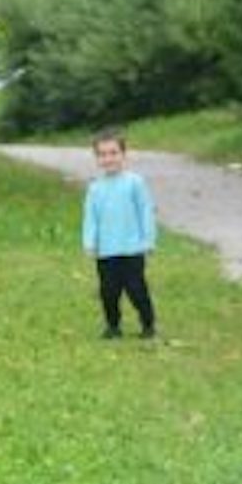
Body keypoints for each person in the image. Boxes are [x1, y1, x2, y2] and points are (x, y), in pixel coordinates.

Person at [83, 127, 158, 339]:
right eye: (102, 154)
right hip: (106, 251)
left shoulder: (135, 183)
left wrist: (148, 240)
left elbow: (146, 212)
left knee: (136, 289)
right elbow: (91, 217)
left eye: (113, 153)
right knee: (108, 292)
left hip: (132, 249)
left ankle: (148, 323)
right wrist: (90, 242)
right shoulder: (95, 188)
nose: (109, 159)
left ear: (124, 155)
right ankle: (113, 326)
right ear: (97, 158)